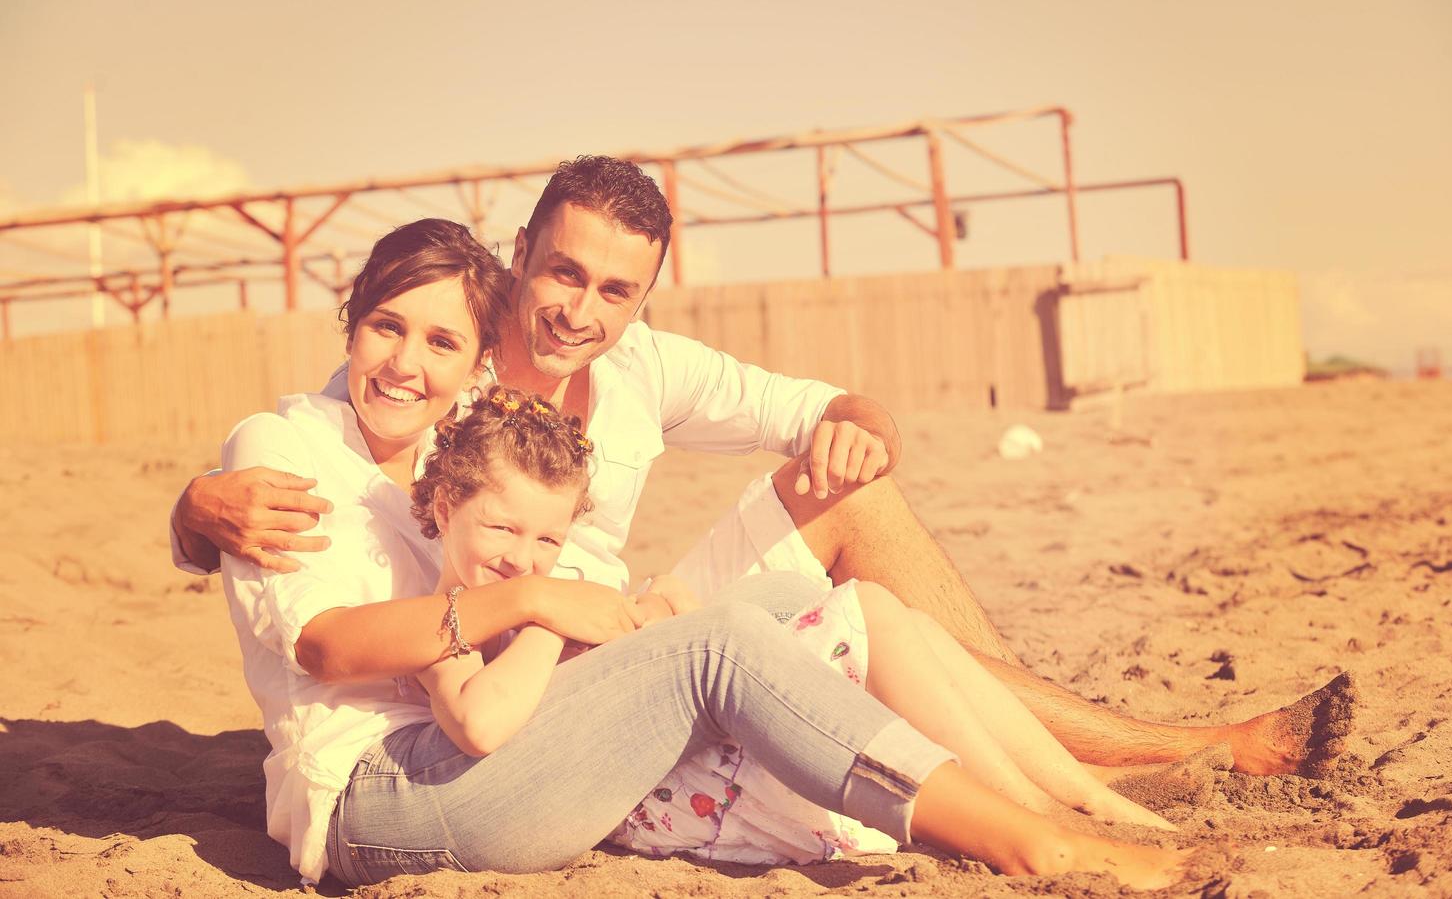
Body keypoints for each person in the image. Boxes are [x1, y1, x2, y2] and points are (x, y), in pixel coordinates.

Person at [174, 155, 1355, 780]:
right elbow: (341, 436)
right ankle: (1181, 750)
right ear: (521, 252)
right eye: (563, 272)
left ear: (644, 296)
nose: (580, 310)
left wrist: (858, 426)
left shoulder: (643, 368)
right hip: (539, 671)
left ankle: (1145, 743)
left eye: (614, 289)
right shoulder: (452, 361)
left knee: (860, 496)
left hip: (634, 618)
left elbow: (834, 406)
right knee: (848, 610)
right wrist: (192, 509)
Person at [218, 216, 1189, 889]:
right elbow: (324, 646)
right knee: (715, 645)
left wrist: (581, 616)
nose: (406, 362)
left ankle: (1057, 798)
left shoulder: (448, 442)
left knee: (783, 606)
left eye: (439, 341)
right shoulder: (284, 443)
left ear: (476, 363)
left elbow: (519, 545)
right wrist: (539, 606)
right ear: (349, 321)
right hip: (374, 799)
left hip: (491, 742)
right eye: (387, 326)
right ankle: (1029, 844)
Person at [409, 385, 1173, 869]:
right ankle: (1037, 813)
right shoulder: (445, 623)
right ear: (445, 509)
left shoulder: (547, 585)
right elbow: (482, 721)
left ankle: (1074, 792)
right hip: (656, 800)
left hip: (680, 752)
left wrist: (651, 610)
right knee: (850, 628)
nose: (522, 560)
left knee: (872, 607)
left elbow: (646, 646)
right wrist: (546, 616)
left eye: (546, 541)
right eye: (501, 530)